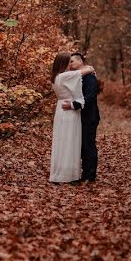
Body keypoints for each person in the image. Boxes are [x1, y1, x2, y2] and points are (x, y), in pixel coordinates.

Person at [49, 52, 95, 183]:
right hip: (69, 111)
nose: (70, 64)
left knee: (61, 141)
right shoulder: (65, 76)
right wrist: (91, 68)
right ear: (63, 63)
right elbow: (87, 70)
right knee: (70, 142)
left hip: (61, 108)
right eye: (68, 62)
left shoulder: (56, 77)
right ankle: (68, 175)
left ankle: (59, 172)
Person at [62, 52, 100, 182]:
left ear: (80, 61)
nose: (70, 64)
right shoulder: (75, 76)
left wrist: (74, 105)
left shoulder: (90, 77)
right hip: (77, 118)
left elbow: (90, 97)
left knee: (88, 145)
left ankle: (90, 176)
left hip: (89, 116)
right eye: (69, 62)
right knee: (81, 146)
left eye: (72, 61)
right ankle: (84, 174)